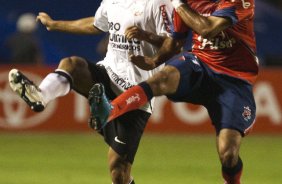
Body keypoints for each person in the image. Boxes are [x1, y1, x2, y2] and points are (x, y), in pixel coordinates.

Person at [90, 0, 259, 183]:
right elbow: (176, 43)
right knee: (162, 78)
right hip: (200, 65)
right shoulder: (189, 3)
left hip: (234, 80)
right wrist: (154, 61)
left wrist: (178, 3)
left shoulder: (239, 2)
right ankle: (110, 109)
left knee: (229, 154)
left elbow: (207, 29)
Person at [8, 0, 173, 184]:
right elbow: (95, 24)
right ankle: (41, 96)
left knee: (119, 172)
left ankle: (105, 109)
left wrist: (147, 42)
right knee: (72, 65)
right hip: (107, 75)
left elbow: (173, 43)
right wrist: (55, 24)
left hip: (136, 93)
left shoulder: (159, 4)